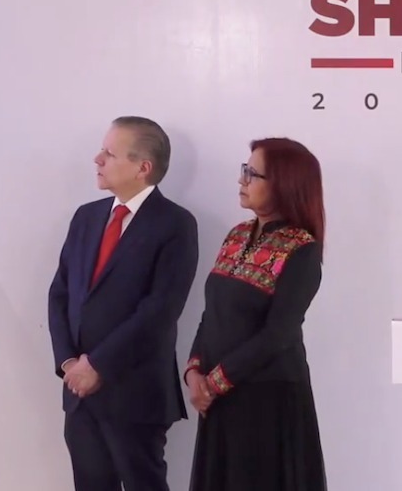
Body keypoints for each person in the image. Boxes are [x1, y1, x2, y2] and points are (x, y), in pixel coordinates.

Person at [47, 116, 200, 491]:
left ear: (142, 167)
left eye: (110, 153)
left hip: (135, 393)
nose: (97, 159)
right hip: (80, 394)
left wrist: (98, 365)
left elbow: (160, 310)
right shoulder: (86, 217)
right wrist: (69, 363)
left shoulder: (175, 224)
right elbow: (60, 293)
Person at [185, 137, 327, 491]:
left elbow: (278, 334)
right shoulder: (236, 235)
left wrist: (214, 384)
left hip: (267, 399)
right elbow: (212, 311)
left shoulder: (301, 249)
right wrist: (193, 372)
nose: (241, 180)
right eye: (244, 170)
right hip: (219, 398)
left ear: (283, 184)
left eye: (252, 173)